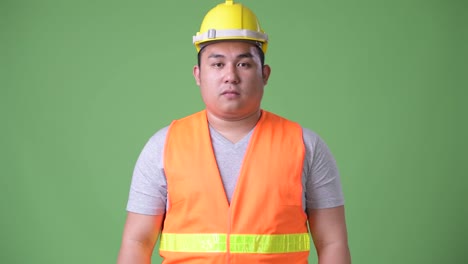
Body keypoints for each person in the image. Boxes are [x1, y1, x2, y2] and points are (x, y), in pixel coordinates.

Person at [117, 0, 351, 263]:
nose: (230, 76)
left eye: (243, 64)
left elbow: (333, 242)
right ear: (198, 74)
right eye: (217, 64)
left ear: (265, 74)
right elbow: (136, 242)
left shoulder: (305, 146)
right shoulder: (164, 145)